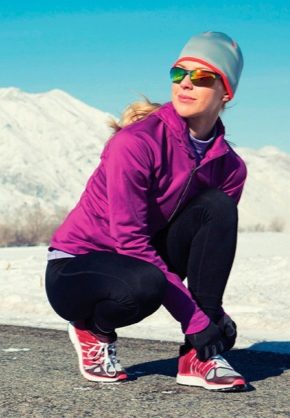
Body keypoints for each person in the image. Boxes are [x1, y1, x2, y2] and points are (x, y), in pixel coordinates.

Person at [45, 31, 247, 391]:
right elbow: (131, 241)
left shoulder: (230, 168)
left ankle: (196, 357)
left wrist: (210, 317)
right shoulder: (135, 144)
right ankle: (92, 329)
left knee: (217, 207)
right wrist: (196, 320)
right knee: (143, 285)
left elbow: (207, 247)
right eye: (178, 73)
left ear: (226, 91)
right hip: (77, 268)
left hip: (140, 260)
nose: (185, 84)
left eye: (201, 77)